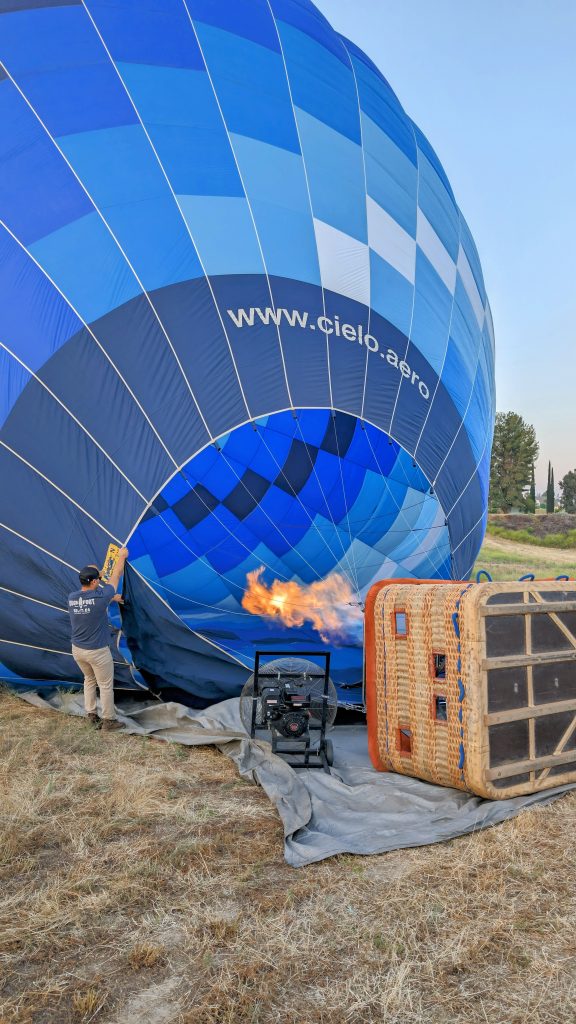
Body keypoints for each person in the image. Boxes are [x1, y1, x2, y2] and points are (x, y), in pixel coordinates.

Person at [68, 547, 129, 731]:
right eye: (98, 579)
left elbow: (91, 599)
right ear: (95, 582)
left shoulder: (72, 598)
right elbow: (117, 574)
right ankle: (109, 721)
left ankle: (91, 715)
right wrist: (122, 556)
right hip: (97, 651)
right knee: (105, 685)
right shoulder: (100, 597)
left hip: (77, 650)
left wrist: (110, 596)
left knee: (89, 680)